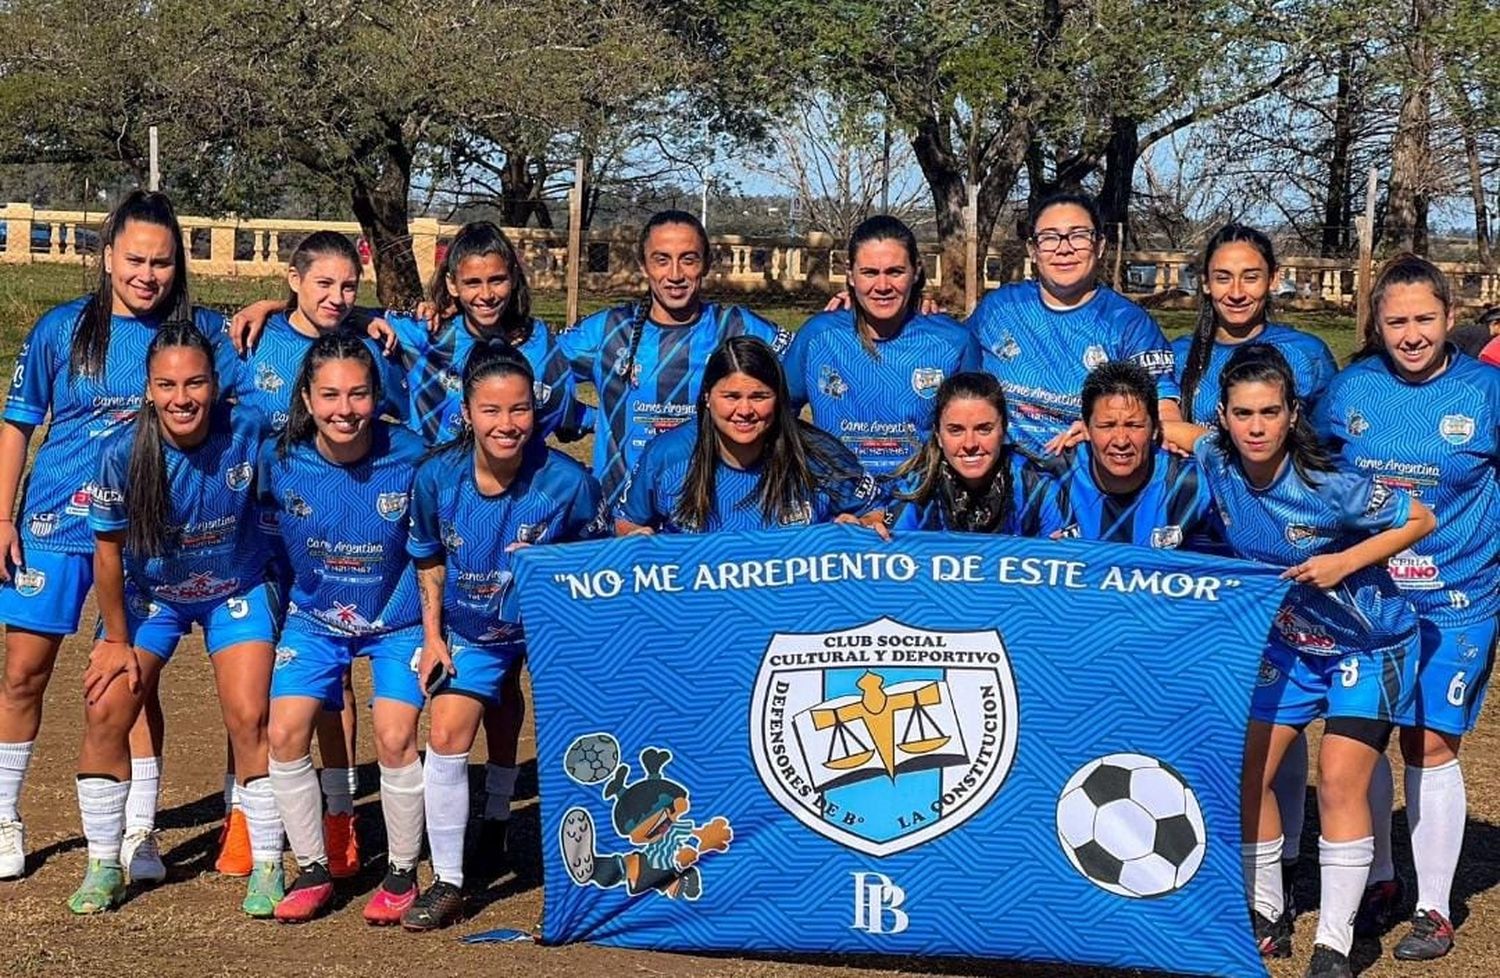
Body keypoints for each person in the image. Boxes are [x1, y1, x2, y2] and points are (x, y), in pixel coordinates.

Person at [0, 190, 229, 882]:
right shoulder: (60, 329)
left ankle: (140, 832)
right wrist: (2, 514)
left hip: (144, 540)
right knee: (21, 673)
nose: (147, 274)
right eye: (135, 259)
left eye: (162, 262)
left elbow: (283, 343)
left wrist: (269, 308)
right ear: (107, 257)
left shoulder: (200, 333)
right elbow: (18, 423)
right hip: (52, 527)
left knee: (132, 679)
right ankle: (5, 819)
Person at [1190, 344, 1434, 978]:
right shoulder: (1215, 457)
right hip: (1292, 644)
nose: (1256, 427)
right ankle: (1267, 913)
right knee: (1249, 772)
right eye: (1242, 413)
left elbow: (1419, 516)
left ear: (1293, 414)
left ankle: (1334, 942)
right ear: (1223, 415)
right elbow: (1168, 430)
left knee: (1337, 779)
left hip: (1368, 644)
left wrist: (1343, 562)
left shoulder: (1330, 485)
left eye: (1270, 412)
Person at [1317, 254, 1499, 961]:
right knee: (1366, 734)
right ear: (1377, 324)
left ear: (1451, 319)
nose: (1412, 333)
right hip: (1368, 601)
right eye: (1397, 321)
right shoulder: (1351, 389)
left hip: (1459, 600)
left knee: (1430, 740)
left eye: (1425, 318)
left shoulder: (1486, 391)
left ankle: (1434, 908)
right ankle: (1383, 881)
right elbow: (1316, 473)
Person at [68, 323, 283, 917]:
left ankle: (267, 862)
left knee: (250, 713)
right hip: (151, 595)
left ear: (217, 386)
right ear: (148, 389)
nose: (181, 397)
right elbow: (107, 553)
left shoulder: (250, 429)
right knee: (106, 705)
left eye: (194, 383)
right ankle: (105, 864)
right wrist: (115, 640)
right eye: (166, 384)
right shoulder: (120, 453)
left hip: (234, 587)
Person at [215, 231, 407, 880]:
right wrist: (263, 306)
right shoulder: (251, 338)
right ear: (293, 280)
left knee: (332, 685)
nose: (336, 295)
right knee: (250, 681)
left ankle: (338, 817)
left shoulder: (368, 346)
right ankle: (245, 814)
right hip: (252, 536)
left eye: (348, 285)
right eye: (322, 282)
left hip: (332, 542)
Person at [402, 343, 604, 930]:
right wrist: (434, 637)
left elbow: (593, 566)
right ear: (467, 412)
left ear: (535, 412)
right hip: (471, 632)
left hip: (548, 635)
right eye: (491, 411)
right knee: (444, 733)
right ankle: (449, 880)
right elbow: (429, 559)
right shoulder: (436, 476)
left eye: (519, 410)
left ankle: (537, 837)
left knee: (572, 734)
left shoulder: (569, 483)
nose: (506, 424)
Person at [257, 333, 427, 924]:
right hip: (316, 621)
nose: (344, 409)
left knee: (394, 735)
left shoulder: (412, 456)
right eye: (329, 395)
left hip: (397, 622)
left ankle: (403, 871)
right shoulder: (279, 457)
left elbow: (434, 549)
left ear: (377, 396)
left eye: (358, 394)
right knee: (283, 732)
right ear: (305, 397)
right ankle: (311, 867)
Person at [559, 210, 791, 510]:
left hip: (712, 513)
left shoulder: (735, 327)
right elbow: (531, 372)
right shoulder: (606, 331)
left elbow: (807, 366)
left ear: (706, 264)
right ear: (644, 265)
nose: (675, 275)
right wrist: (586, 419)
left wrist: (841, 321)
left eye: (688, 259)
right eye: (662, 259)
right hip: (620, 520)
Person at [965, 191, 1182, 456]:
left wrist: (1106, 432)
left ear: (1100, 245)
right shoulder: (999, 308)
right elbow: (947, 354)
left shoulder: (1128, 324)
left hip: (1087, 478)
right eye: (1049, 237)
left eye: (1078, 235)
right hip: (1007, 475)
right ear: (1033, 250)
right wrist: (921, 316)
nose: (1064, 248)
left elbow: (1164, 412)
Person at [614, 336, 883, 535]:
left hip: (795, 606)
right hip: (695, 605)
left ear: (778, 398)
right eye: (731, 396)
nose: (744, 410)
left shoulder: (819, 454)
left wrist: (863, 527)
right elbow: (628, 523)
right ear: (707, 397)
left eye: (759, 397)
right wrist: (634, 538)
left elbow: (875, 512)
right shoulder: (667, 455)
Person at [783, 215, 979, 475]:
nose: (883, 286)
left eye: (895, 272)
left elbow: (977, 427)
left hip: (917, 503)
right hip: (836, 504)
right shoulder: (819, 336)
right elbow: (777, 414)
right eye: (869, 273)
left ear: (916, 270)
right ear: (851, 275)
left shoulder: (953, 342)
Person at [1173, 224, 1338, 423]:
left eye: (1251, 278)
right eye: (1223, 278)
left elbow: (1326, 443)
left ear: (1273, 278)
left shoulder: (1307, 354)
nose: (1236, 293)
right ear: (1206, 282)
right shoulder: (1177, 357)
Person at [1050, 361, 1219, 548]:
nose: (1121, 441)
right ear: (1086, 429)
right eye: (1107, 426)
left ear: (1155, 428)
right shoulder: (1051, 478)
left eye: (1134, 426)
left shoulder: (1192, 485)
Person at [884, 372, 1068, 535]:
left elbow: (1069, 560)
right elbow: (887, 554)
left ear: (1003, 431)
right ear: (939, 436)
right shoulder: (915, 489)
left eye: (984, 429)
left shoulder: (1038, 488)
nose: (970, 444)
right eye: (956, 430)